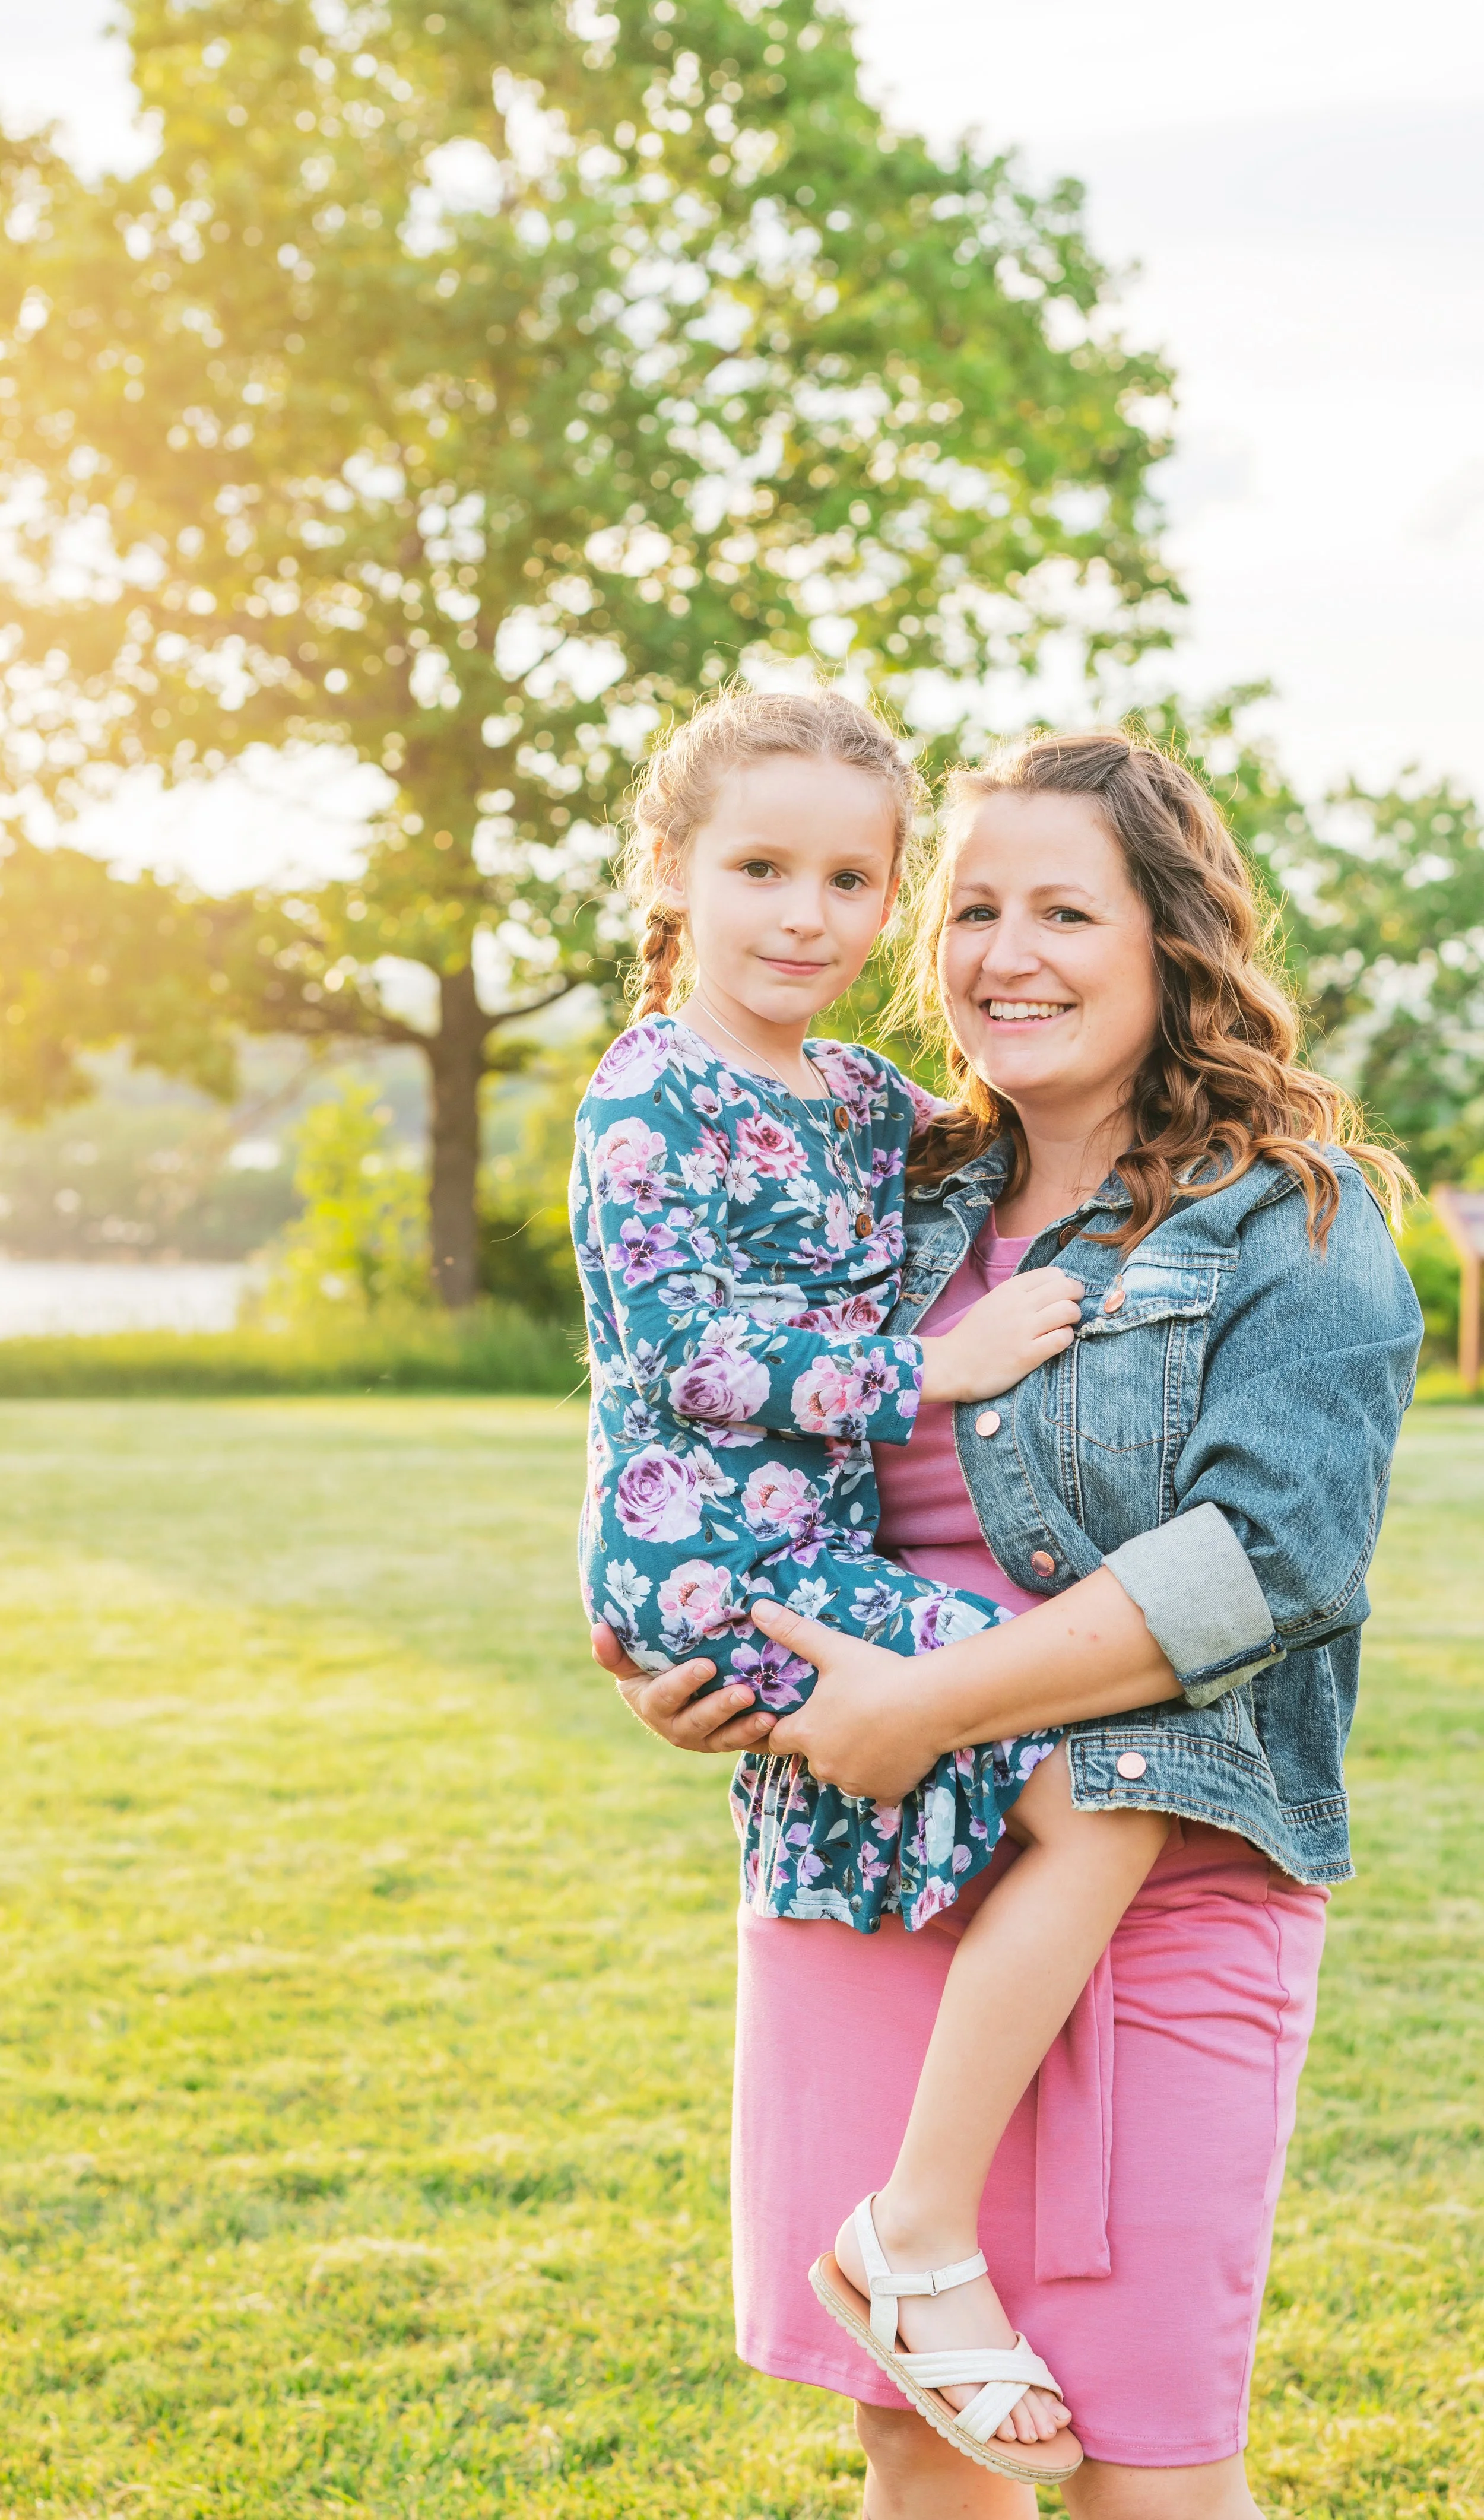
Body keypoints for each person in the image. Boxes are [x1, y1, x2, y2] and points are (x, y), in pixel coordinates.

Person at [594, 729, 1422, 2519]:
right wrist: (682, 1653)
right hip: (867, 1858)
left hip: (1164, 1874)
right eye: (973, 908)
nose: (1007, 953)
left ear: (1167, 938)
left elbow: (1266, 1563)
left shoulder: (1296, 1216)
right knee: (922, 2435)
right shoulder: (890, 1186)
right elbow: (707, 1405)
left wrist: (935, 1699)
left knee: (1148, 2464)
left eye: (1064, 908)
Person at [572, 688, 1171, 2482]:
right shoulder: (646, 1097)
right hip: (716, 1565)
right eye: (759, 868)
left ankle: (945, 2215)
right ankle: (905, 2234)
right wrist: (942, 1370)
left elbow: (1020, 1119)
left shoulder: (855, 1096)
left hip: (808, 1556)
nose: (806, 917)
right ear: (671, 875)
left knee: (1016, 1783)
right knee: (1097, 1775)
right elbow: (676, 1349)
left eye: (851, 877)